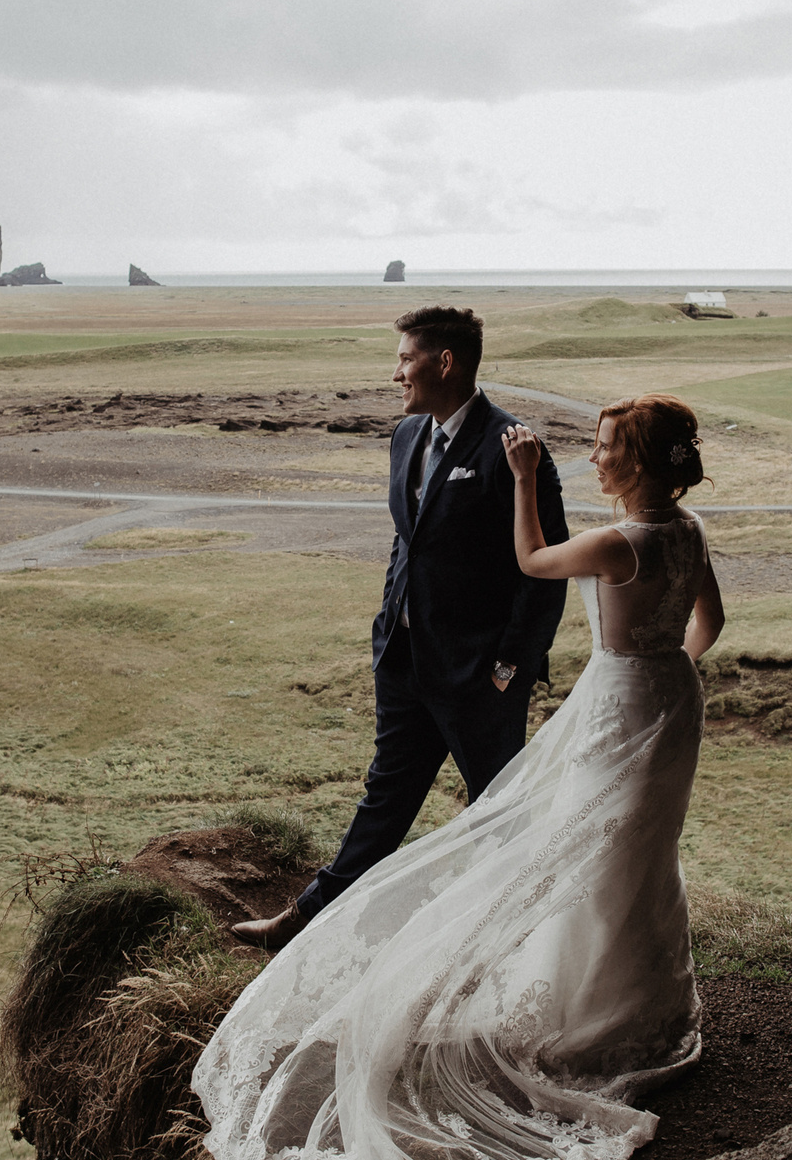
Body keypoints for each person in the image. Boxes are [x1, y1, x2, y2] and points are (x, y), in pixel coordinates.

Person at [196, 393, 725, 1160]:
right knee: (639, 849)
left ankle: (591, 1009)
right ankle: (641, 1002)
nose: (594, 458)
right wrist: (665, 674)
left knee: (587, 850)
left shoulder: (616, 543)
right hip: (670, 699)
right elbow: (712, 623)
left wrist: (523, 478)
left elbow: (531, 559)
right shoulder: (692, 531)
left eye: (605, 447)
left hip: (620, 703)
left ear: (636, 460)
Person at [230, 305, 571, 950]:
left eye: (405, 360)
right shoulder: (407, 434)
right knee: (385, 799)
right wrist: (390, 620)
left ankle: (526, 943)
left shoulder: (513, 447)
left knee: (500, 813)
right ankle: (304, 924)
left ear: (445, 362)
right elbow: (408, 539)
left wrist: (510, 667)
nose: (396, 375)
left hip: (479, 678)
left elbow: (547, 568)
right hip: (404, 661)